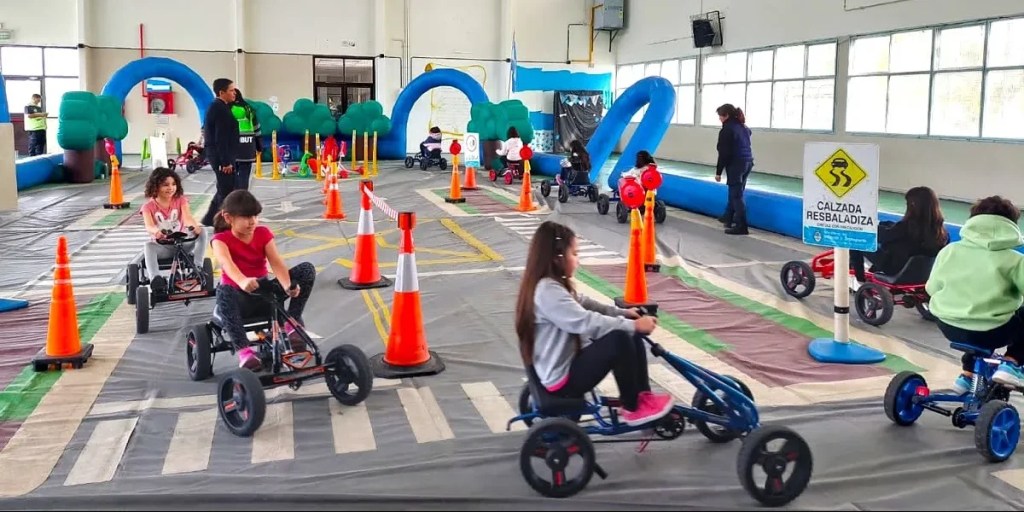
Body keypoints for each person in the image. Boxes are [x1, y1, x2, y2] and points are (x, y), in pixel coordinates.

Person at [514, 220, 675, 427]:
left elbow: (588, 304)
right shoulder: (548, 292)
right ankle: (633, 407)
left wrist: (624, 313)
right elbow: (585, 321)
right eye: (575, 254)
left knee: (627, 334)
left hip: (561, 363)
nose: (577, 260)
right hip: (562, 378)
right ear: (557, 258)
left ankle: (642, 397)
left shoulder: (551, 285)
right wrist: (633, 325)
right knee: (619, 340)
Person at [926, 196, 1024, 394]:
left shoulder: (949, 251)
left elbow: (931, 288)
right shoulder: (1015, 259)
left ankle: (968, 375)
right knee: (1006, 321)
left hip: (948, 326)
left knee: (973, 322)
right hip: (993, 330)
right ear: (1011, 226)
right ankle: (1012, 362)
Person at [211, 190, 317, 370]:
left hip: (264, 294)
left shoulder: (262, 233)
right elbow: (226, 263)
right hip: (238, 298)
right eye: (245, 217)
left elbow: (276, 262)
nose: (252, 221)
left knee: (306, 270)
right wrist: (243, 280)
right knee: (223, 290)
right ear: (228, 218)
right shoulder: (220, 240)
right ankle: (245, 353)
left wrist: (287, 286)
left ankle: (292, 321)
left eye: (255, 216)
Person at [850, 186, 948, 291]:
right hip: (923, 272)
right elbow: (895, 231)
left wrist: (869, 226)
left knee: (858, 241)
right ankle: (873, 270)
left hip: (896, 268)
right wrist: (886, 224)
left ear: (913, 205)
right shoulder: (940, 231)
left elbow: (882, 236)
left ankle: (859, 280)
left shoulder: (906, 227)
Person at [140, 167, 208, 294]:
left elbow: (187, 217)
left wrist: (194, 227)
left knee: (203, 231)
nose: (170, 188)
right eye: (165, 185)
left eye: (173, 184)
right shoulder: (148, 207)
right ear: (155, 187)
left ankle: (198, 267)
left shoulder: (180, 200)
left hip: (183, 244)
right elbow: (149, 226)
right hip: (164, 246)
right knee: (148, 246)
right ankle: (156, 278)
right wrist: (156, 232)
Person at [201, 78, 241, 227]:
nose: (234, 93)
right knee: (227, 189)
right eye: (231, 90)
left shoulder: (220, 107)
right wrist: (225, 162)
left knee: (224, 188)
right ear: (221, 92)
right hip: (221, 156)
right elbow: (221, 138)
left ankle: (209, 219)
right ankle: (223, 221)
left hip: (221, 155)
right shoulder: (219, 109)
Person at [714, 104, 754, 236]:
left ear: (726, 116)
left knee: (737, 195)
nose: (719, 119)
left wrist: (718, 172)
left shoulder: (727, 130)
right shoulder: (744, 127)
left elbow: (724, 153)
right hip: (748, 163)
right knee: (736, 191)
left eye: (720, 116)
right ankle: (728, 217)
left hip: (737, 165)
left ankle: (742, 226)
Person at [231, 89, 262, 191]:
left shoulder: (228, 108)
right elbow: (257, 129)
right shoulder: (249, 108)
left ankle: (234, 196)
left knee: (232, 173)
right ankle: (243, 197)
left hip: (234, 144)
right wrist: (259, 147)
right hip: (248, 144)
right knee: (245, 173)